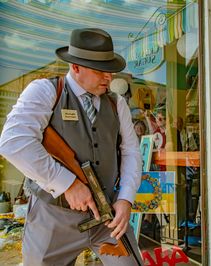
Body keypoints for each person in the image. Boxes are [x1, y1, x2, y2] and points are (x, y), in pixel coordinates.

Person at [0, 28, 143, 265]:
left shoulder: (117, 104)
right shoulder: (46, 91)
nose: (109, 78)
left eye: (110, 71)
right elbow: (13, 142)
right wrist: (68, 184)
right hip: (53, 218)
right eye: (100, 71)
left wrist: (126, 199)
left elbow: (130, 152)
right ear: (75, 68)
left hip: (108, 218)